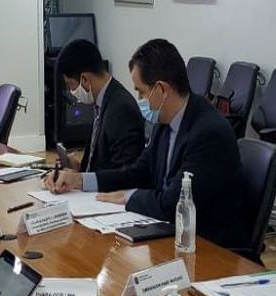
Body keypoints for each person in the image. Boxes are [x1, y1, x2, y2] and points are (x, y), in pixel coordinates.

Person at [46, 38, 247, 251]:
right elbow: (136, 173)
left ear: (161, 89)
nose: (139, 98)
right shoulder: (165, 121)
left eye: (141, 91)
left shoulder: (208, 133)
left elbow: (172, 203)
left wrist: (127, 196)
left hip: (210, 247)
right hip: (172, 234)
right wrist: (79, 180)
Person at [57, 38, 145, 172]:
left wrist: (81, 179)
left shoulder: (121, 109)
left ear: (84, 79)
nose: (71, 91)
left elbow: (124, 174)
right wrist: (76, 168)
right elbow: (98, 165)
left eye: (71, 85)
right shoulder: (102, 102)